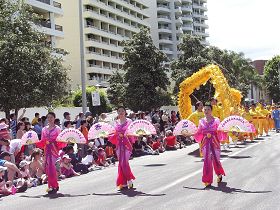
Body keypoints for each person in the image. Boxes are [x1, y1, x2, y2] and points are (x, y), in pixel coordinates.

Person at [194, 104, 226, 188]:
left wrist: (225, 132)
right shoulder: (201, 121)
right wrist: (190, 133)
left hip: (215, 142)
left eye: (208, 109)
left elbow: (220, 130)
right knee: (207, 161)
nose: (206, 111)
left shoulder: (216, 120)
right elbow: (199, 132)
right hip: (205, 143)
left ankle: (219, 174)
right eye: (205, 109)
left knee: (216, 159)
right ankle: (207, 180)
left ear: (211, 110)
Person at [36, 112, 65, 194]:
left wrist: (53, 142)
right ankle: (51, 186)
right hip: (47, 151)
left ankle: (54, 185)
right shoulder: (44, 129)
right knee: (48, 169)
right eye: (48, 117)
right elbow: (42, 140)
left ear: (54, 118)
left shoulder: (57, 128)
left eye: (51, 117)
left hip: (54, 150)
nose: (50, 119)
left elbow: (60, 140)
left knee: (53, 168)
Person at [109, 106, 135, 190]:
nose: (121, 112)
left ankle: (129, 179)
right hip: (119, 145)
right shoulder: (115, 122)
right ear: (117, 112)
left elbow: (132, 132)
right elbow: (112, 133)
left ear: (125, 112)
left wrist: (125, 135)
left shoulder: (130, 121)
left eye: (122, 111)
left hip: (127, 144)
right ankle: (122, 183)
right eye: (119, 111)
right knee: (120, 164)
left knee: (124, 163)